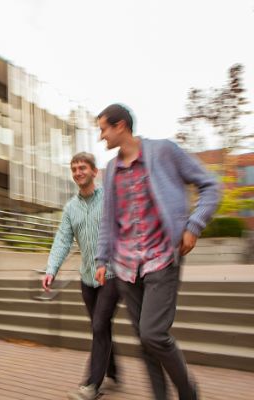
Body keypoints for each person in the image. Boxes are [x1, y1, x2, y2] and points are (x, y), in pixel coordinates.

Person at [95, 104, 220, 400]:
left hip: (161, 258)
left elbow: (211, 186)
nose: (101, 137)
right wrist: (102, 258)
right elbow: (108, 219)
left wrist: (194, 226)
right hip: (126, 266)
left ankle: (189, 392)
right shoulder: (111, 169)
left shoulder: (164, 151)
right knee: (144, 342)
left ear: (121, 125)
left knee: (153, 334)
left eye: (103, 129)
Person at [42, 152, 121, 400]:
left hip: (112, 274)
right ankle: (113, 369)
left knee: (99, 326)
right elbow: (62, 241)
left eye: (83, 167)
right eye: (74, 168)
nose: (78, 172)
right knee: (100, 326)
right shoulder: (70, 208)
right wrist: (51, 269)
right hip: (87, 278)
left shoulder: (109, 199)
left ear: (94, 172)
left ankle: (91, 384)